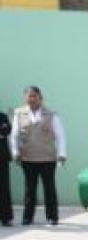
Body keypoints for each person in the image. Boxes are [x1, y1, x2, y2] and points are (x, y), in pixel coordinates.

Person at [11, 86, 66, 226]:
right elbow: (14, 135)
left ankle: (52, 217)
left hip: (47, 158)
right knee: (30, 189)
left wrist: (61, 154)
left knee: (49, 188)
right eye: (29, 96)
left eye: (35, 96)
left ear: (41, 97)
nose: (32, 99)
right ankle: (27, 217)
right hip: (28, 157)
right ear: (25, 98)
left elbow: (60, 136)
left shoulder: (51, 114)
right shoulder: (19, 113)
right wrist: (15, 152)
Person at [0, 107, 12, 226]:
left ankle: (6, 217)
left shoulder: (3, 116)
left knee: (3, 187)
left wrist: (3, 131)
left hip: (2, 158)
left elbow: (7, 130)